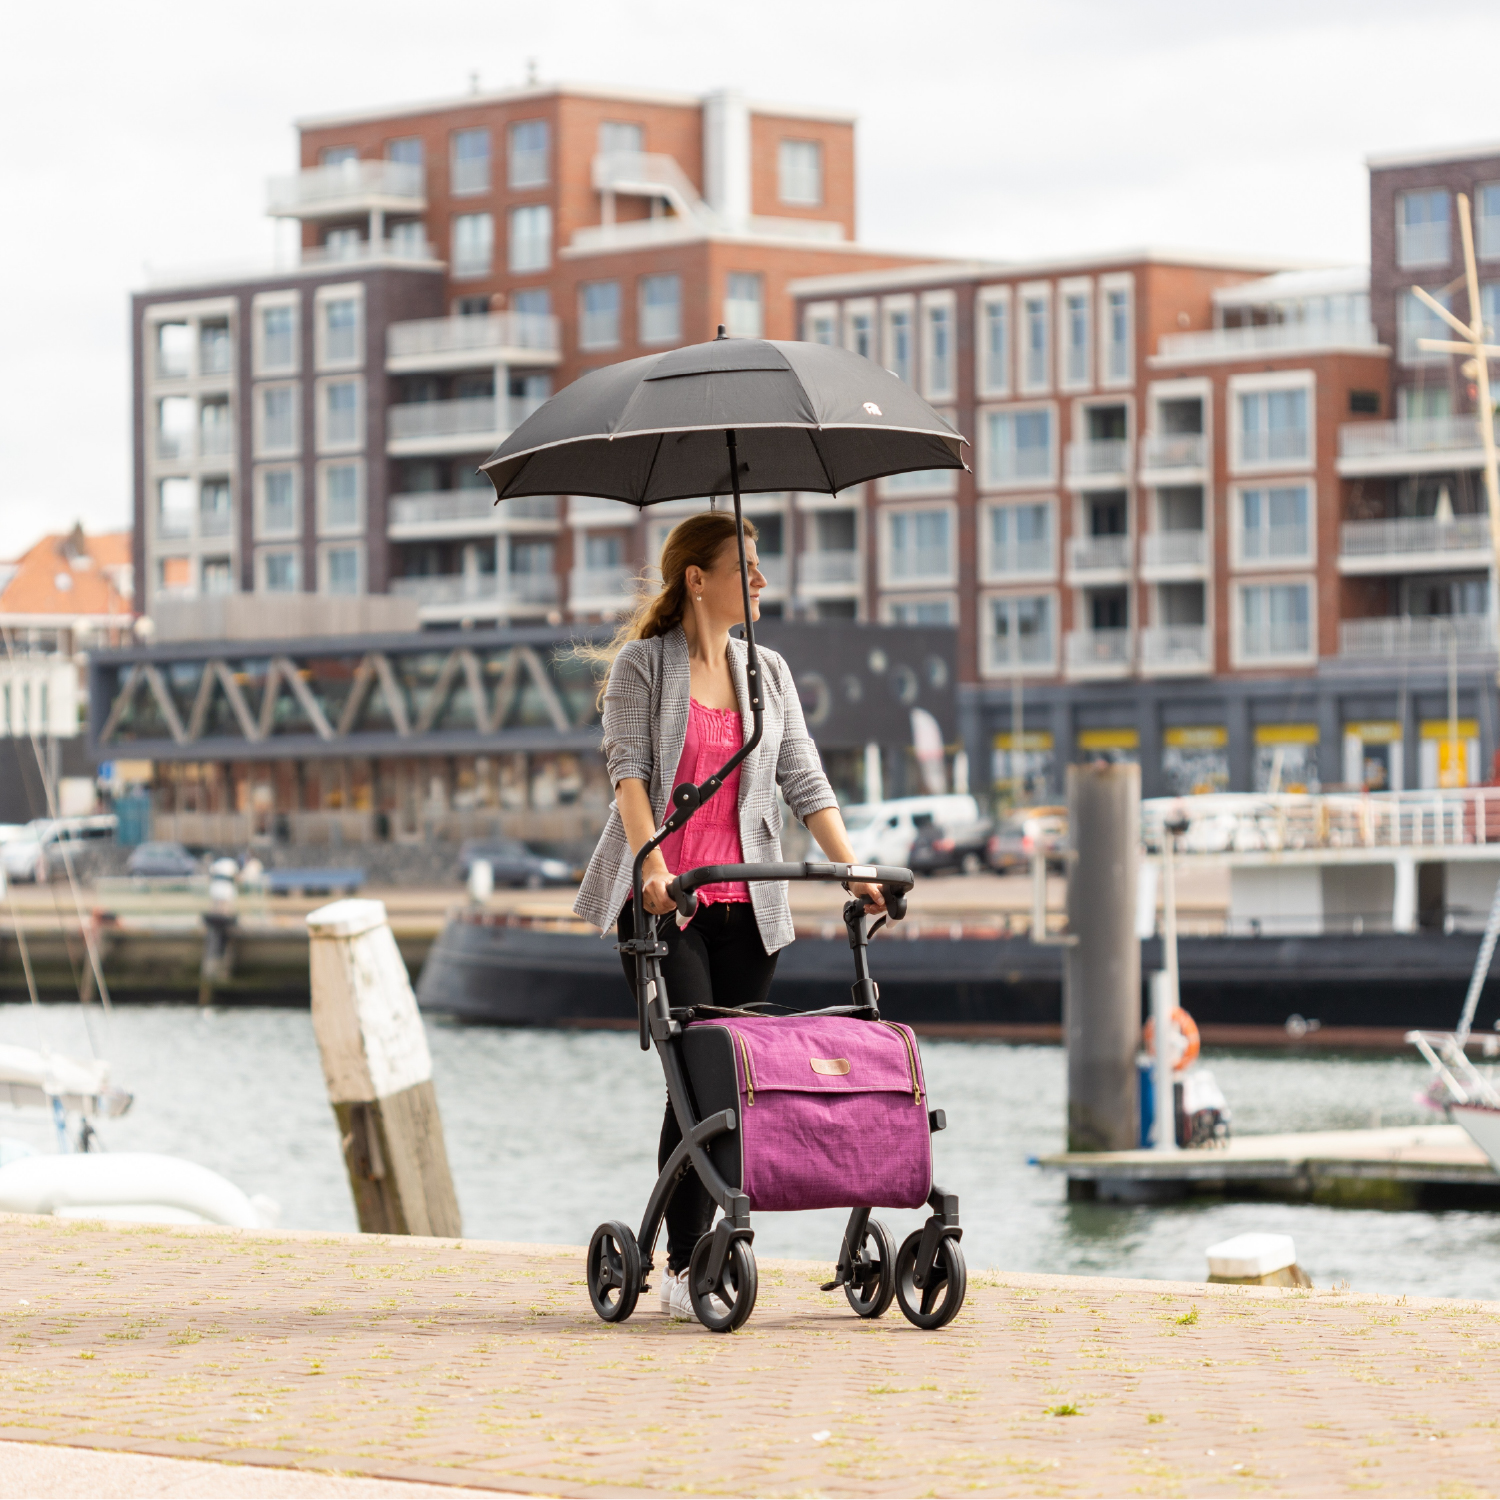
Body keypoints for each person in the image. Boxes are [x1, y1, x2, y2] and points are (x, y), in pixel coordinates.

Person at [573, 511, 883, 1320]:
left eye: (759, 561)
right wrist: (653, 868)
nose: (761, 578)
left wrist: (853, 870)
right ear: (695, 580)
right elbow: (630, 774)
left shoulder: (768, 672)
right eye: (744, 563)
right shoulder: (644, 667)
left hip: (752, 907)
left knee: (730, 1089)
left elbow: (804, 780)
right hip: (666, 908)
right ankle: (685, 1266)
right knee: (701, 1081)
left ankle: (692, 1251)